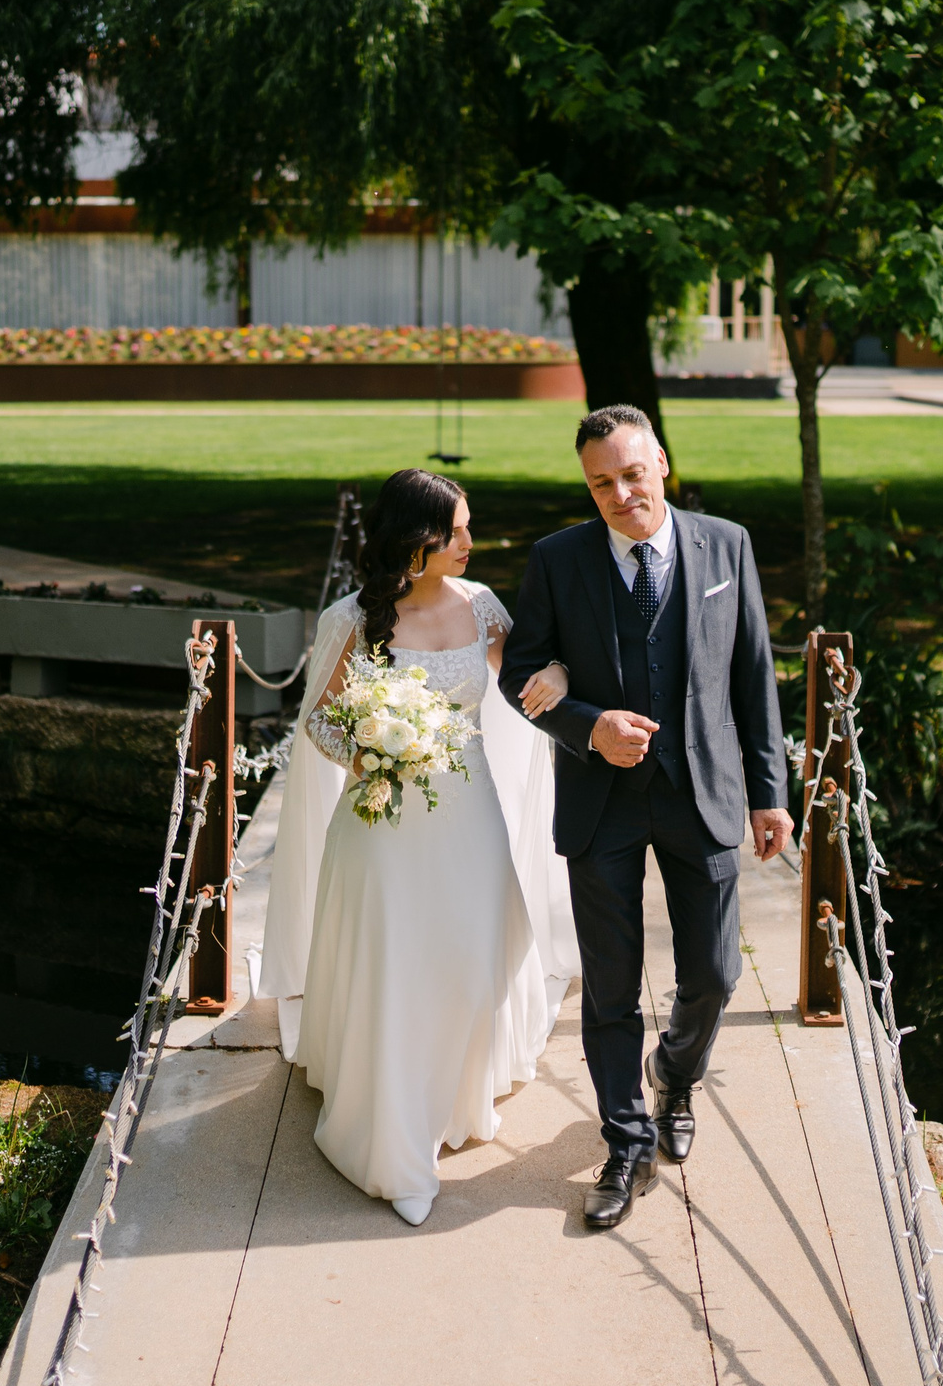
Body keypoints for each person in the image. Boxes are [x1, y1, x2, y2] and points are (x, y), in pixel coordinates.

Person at [497, 405, 794, 1230]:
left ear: (659, 460)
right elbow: (519, 671)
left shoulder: (725, 544)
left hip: (704, 792)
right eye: (602, 482)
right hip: (603, 800)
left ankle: (676, 1073)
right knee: (611, 987)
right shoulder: (558, 560)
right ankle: (626, 1140)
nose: (621, 493)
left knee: (715, 973)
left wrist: (769, 793)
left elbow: (753, 675)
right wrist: (588, 724)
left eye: (632, 472)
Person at [257, 470, 580, 1226]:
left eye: (469, 526)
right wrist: (377, 751)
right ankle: (395, 1141)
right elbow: (322, 723)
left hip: (468, 814)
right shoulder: (353, 617)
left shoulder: (483, 608)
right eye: (458, 530)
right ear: (418, 539)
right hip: (381, 822)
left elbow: (530, 673)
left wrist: (559, 673)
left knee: (475, 962)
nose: (471, 541)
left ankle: (454, 1091)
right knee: (396, 967)